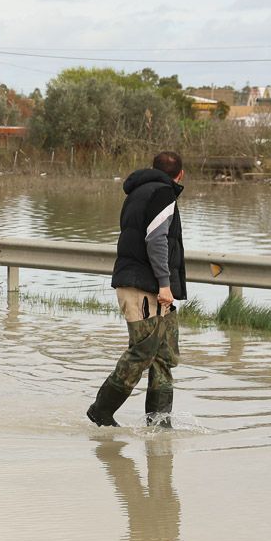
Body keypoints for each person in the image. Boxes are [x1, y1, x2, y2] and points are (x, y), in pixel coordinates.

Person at [88, 150, 187, 428]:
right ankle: (101, 409)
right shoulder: (163, 194)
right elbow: (157, 241)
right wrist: (165, 285)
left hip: (145, 284)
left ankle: (159, 423)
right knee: (144, 351)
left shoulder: (137, 193)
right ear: (180, 174)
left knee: (163, 355)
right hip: (146, 286)